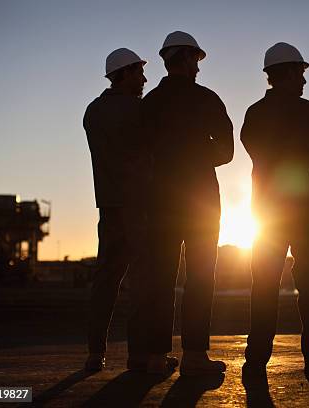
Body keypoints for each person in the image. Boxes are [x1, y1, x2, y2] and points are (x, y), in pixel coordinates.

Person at [241, 42, 309, 376]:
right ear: (287, 73)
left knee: (264, 284)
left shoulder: (255, 113)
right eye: (300, 72)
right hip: (304, 208)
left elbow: (256, 151)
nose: (304, 80)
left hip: (267, 210)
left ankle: (256, 360)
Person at [141, 31, 234, 375]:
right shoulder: (207, 99)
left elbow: (139, 153)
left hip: (161, 200)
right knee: (200, 277)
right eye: (196, 59)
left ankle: (155, 357)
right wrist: (196, 155)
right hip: (201, 203)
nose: (198, 66)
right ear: (186, 58)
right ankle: (194, 356)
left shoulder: (150, 103)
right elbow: (226, 150)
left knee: (160, 278)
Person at [82, 48, 153, 371]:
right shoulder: (140, 110)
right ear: (123, 74)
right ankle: (139, 356)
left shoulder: (93, 112)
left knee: (106, 281)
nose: (144, 79)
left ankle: (95, 352)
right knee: (143, 279)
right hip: (139, 206)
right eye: (138, 73)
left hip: (109, 207)